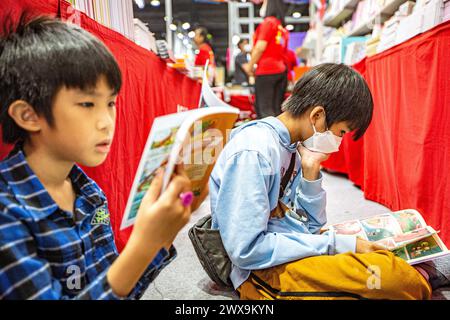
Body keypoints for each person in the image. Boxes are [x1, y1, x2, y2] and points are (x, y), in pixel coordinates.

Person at [0, 15, 205, 300]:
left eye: (110, 103)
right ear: (28, 115)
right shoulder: (8, 214)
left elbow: (113, 286)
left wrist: (164, 234)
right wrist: (143, 246)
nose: (107, 121)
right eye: (87, 104)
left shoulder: (89, 193)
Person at [209, 63, 450, 300]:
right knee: (386, 279)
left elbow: (310, 227)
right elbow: (247, 251)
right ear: (317, 116)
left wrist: (311, 171)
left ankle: (420, 270)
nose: (339, 142)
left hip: (288, 246)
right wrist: (334, 245)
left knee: (367, 249)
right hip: (260, 269)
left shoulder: (292, 147)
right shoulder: (255, 151)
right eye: (342, 132)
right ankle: (420, 274)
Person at [242, 0, 288, 119]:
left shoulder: (268, 22)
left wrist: (250, 66)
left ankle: (268, 136)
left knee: (264, 110)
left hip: (267, 71)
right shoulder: (281, 28)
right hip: (281, 71)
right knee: (276, 109)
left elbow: (260, 47)